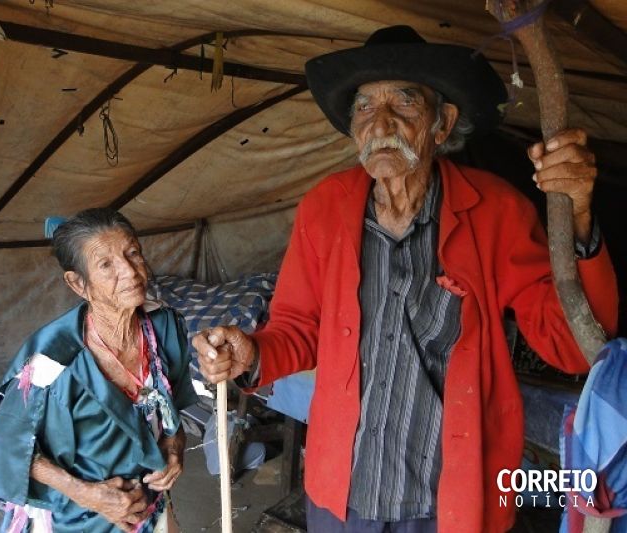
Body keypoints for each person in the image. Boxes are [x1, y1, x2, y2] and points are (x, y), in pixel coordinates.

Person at [193, 26, 619, 533]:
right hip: (342, 493)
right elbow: (299, 327)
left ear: (443, 123)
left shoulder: (495, 211)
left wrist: (581, 220)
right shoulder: (324, 209)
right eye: (365, 106)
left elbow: (572, 348)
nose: (381, 122)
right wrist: (253, 352)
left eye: (404, 102)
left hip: (450, 499)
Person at [0, 208, 198, 532]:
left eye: (132, 252)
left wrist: (175, 447)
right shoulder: (51, 358)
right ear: (78, 284)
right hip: (79, 517)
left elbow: (171, 411)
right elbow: (9, 447)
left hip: (150, 504)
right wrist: (88, 495)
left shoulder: (163, 328)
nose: (131, 271)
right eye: (106, 264)